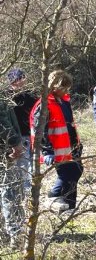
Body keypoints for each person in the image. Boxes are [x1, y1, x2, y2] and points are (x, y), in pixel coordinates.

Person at [30, 70, 83, 212]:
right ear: (55, 87)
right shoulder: (44, 106)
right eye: (63, 88)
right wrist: (46, 152)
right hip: (57, 150)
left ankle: (69, 205)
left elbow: (68, 124)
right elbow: (39, 131)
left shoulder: (63, 101)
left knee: (76, 172)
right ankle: (56, 198)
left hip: (71, 146)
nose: (66, 91)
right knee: (68, 174)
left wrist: (77, 144)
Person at [7, 68, 37, 190]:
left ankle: (28, 190)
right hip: (18, 136)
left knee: (30, 163)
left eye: (23, 78)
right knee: (22, 166)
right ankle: (24, 191)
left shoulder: (30, 94)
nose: (23, 81)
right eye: (20, 78)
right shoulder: (7, 97)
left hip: (31, 134)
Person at [1, 93, 24, 249]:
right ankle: (16, 236)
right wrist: (15, 142)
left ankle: (4, 234)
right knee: (10, 192)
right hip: (4, 152)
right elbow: (2, 123)